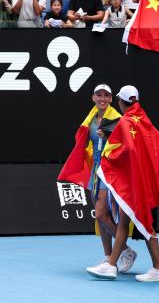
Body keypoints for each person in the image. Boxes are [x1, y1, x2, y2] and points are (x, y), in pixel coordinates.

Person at [86, 85, 159, 281]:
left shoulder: (125, 123)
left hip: (138, 183)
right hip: (145, 181)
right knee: (130, 221)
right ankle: (113, 264)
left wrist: (108, 141)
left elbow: (124, 150)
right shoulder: (142, 119)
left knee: (142, 223)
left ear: (120, 102)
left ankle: (152, 268)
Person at [59, 84, 138, 276]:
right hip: (95, 169)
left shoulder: (118, 119)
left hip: (110, 170)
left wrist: (109, 135)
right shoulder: (91, 119)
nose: (102, 98)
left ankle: (126, 251)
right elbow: (85, 142)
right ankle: (108, 256)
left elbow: (125, 144)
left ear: (111, 99)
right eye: (99, 95)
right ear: (93, 98)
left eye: (106, 95)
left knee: (102, 213)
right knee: (100, 217)